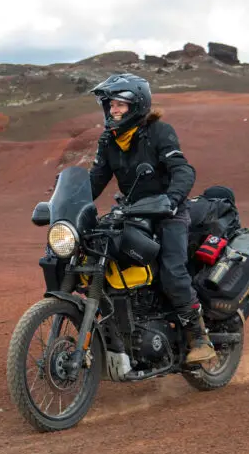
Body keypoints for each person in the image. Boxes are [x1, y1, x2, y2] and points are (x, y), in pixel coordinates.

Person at [87, 73, 216, 364]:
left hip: (169, 212)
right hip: (133, 213)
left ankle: (198, 337)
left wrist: (171, 200)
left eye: (120, 104)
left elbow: (182, 170)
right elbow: (94, 182)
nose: (113, 110)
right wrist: (67, 202)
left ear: (137, 105)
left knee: (172, 270)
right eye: (110, 105)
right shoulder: (109, 140)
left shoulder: (158, 132)